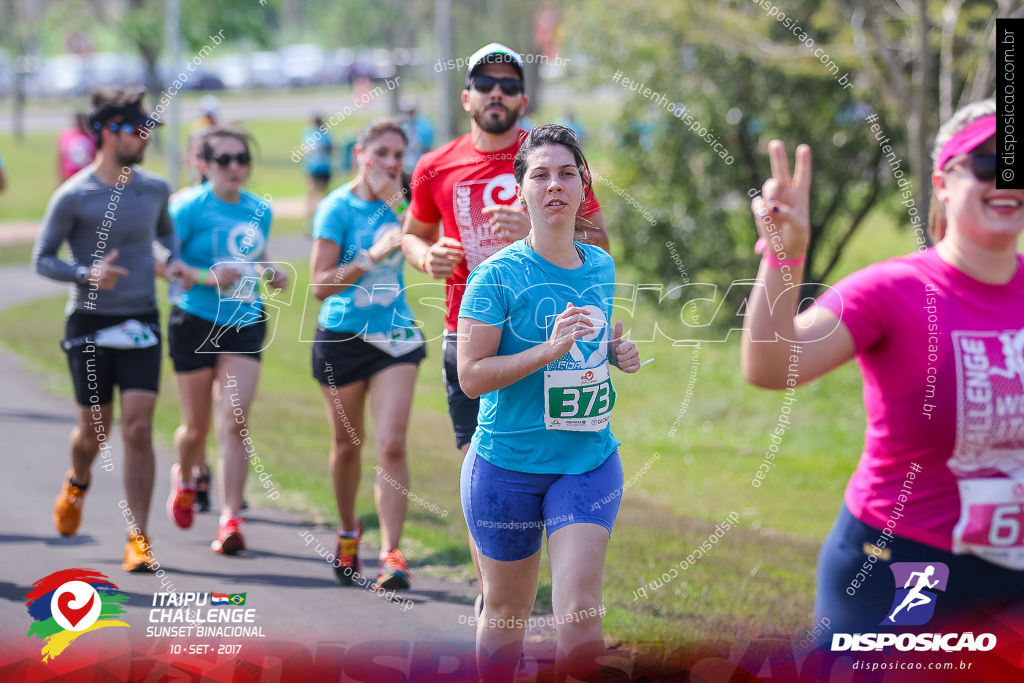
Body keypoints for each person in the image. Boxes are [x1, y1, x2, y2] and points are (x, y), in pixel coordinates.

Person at [741, 98, 1024, 641]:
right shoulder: (893, 291)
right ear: (943, 183)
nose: (1005, 182)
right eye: (987, 165)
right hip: (899, 563)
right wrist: (784, 255)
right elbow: (773, 365)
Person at [401, 42, 609, 613]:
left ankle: (537, 593)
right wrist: (426, 257)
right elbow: (411, 232)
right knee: (480, 460)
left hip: (556, 342)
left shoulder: (550, 163)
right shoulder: (435, 165)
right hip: (467, 337)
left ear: (523, 98)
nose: (497, 93)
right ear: (466, 96)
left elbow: (601, 248)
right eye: (485, 83)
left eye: (509, 84)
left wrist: (537, 223)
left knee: (559, 454)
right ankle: (495, 592)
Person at [457, 124, 641, 680]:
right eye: (540, 175)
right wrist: (548, 349)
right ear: (521, 190)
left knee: (581, 611)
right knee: (508, 614)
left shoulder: (600, 266)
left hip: (586, 461)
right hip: (506, 466)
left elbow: (590, 339)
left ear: (585, 188)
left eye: (567, 174)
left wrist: (613, 349)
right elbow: (471, 377)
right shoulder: (496, 276)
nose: (554, 185)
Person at [33, 87, 186, 572]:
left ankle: (139, 538)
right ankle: (77, 483)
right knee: (93, 433)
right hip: (89, 322)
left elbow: (164, 233)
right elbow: (42, 259)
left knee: (138, 428)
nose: (145, 138)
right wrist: (86, 273)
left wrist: (171, 259)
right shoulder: (74, 195)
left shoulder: (155, 188)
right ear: (107, 133)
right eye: (137, 130)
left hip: (141, 316)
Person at [309, 118, 425, 590]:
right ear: (361, 154)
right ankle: (347, 531)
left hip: (395, 338)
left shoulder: (404, 202)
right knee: (347, 446)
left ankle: (392, 552)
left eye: (400, 154)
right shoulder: (336, 207)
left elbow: (425, 245)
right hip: (342, 339)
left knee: (392, 442)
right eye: (383, 153)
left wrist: (397, 199)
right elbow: (319, 285)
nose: (393, 163)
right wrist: (369, 258)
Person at [165, 127, 288, 555]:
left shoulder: (259, 209)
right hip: (195, 321)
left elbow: (256, 254)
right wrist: (204, 276)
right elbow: (162, 259)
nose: (234, 167)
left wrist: (274, 271)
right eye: (224, 160)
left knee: (235, 421)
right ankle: (184, 476)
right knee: (195, 428)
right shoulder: (186, 207)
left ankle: (230, 518)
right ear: (205, 164)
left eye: (242, 159)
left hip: (245, 321)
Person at [302, 114, 334, 222]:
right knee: (312, 191)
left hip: (324, 167)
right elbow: (305, 149)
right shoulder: (309, 133)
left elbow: (331, 150)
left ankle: (324, 215)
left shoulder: (325, 135)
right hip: (313, 168)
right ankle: (310, 217)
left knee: (324, 193)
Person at [57, 112, 96, 183]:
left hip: (86, 174)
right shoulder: (67, 135)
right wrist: (60, 177)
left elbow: (95, 156)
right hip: (70, 174)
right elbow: (61, 156)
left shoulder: (91, 136)